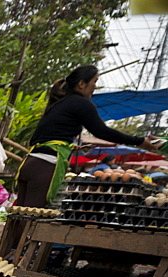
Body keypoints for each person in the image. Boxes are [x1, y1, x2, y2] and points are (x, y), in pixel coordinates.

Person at [16, 65, 158, 209]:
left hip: (30, 163)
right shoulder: (81, 102)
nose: (95, 87)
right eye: (94, 81)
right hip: (45, 166)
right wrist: (139, 141)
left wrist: (69, 146)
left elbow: (42, 137)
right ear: (82, 84)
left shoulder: (60, 103)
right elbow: (101, 131)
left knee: (18, 216)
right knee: (30, 217)